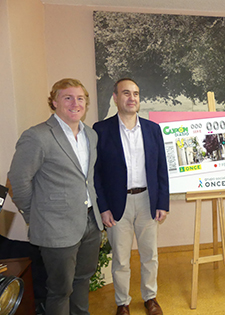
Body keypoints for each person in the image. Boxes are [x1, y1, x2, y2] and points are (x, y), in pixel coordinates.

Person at [8, 78, 103, 315]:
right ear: (54, 102)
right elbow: (18, 182)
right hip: (55, 228)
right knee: (60, 290)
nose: (75, 103)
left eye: (80, 98)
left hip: (90, 222)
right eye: (67, 97)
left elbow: (86, 179)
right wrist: (34, 215)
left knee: (82, 280)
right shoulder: (38, 136)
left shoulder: (90, 135)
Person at [93, 78, 169, 315]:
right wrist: (103, 206)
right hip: (117, 205)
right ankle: (122, 302)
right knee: (121, 259)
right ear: (115, 98)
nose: (132, 98)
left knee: (150, 255)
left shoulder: (152, 129)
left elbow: (161, 169)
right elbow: (96, 174)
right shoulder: (101, 130)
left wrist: (162, 203)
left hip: (147, 201)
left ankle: (150, 298)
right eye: (126, 93)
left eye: (136, 93)